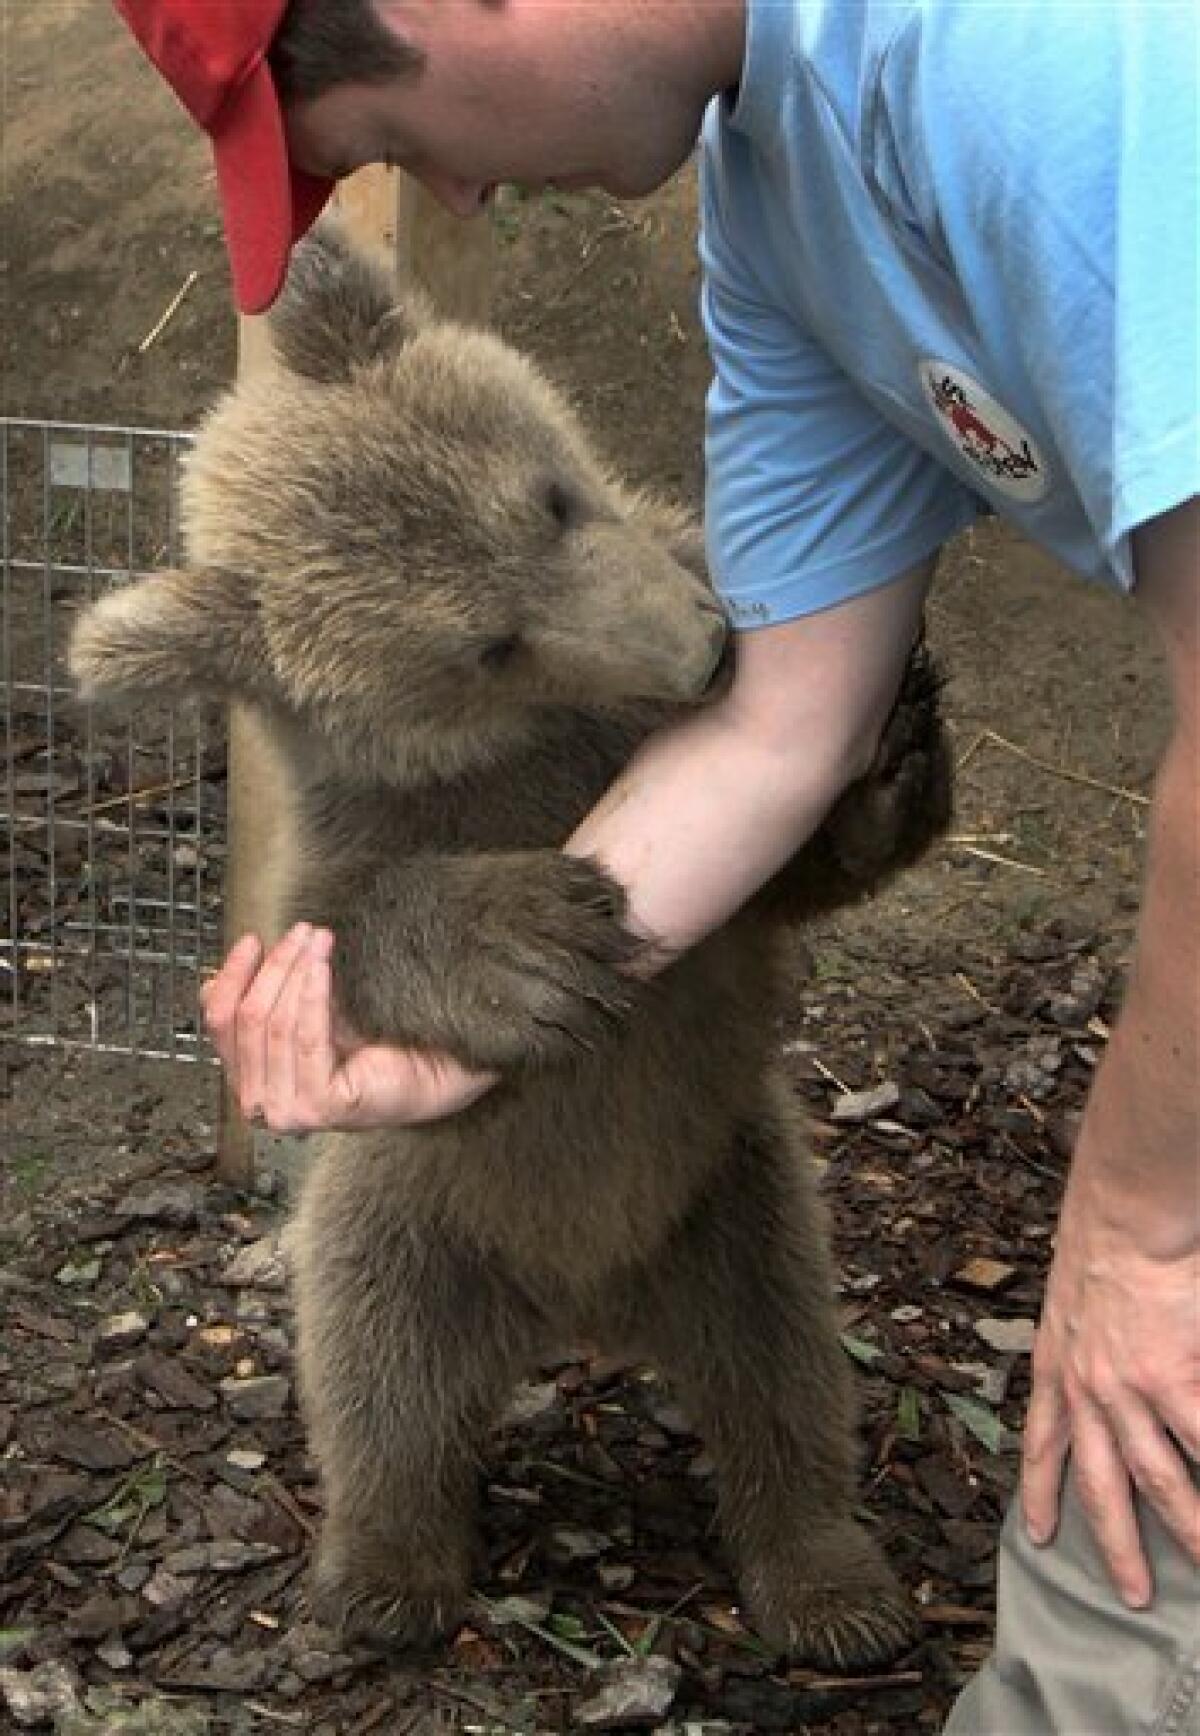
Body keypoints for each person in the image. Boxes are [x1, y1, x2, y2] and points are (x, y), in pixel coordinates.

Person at [114, 2, 1199, 1729]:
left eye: (390, 142)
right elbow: (775, 745)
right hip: (458, 1210)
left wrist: (1139, 1236)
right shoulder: (775, 206)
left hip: (702, 1169)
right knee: (370, 1268)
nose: (449, 204)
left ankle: (803, 1527)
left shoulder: (1041, 74)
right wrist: (411, 973)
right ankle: (392, 1542)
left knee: (784, 1319)